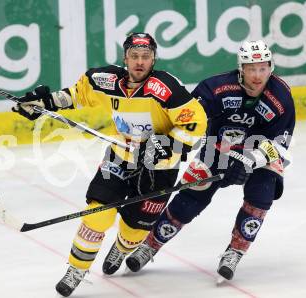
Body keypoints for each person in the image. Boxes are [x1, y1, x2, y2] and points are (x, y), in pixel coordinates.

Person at [13, 32, 207, 296]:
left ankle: (122, 247)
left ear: (154, 59)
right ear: (125, 58)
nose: (140, 62)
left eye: (146, 57)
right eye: (134, 56)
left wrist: (162, 147)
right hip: (121, 156)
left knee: (135, 231)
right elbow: (75, 95)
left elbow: (195, 124)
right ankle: (76, 269)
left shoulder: (166, 88)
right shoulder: (104, 80)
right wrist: (43, 102)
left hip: (160, 168)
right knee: (97, 213)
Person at [125, 40, 296, 282]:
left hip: (258, 156)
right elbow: (190, 122)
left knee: (262, 192)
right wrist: (168, 146)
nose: (258, 76)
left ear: (271, 67)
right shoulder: (215, 88)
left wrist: (249, 161)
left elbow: (280, 145)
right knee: (191, 196)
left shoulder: (281, 97)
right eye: (251, 69)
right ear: (241, 69)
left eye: (263, 68)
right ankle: (150, 245)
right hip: (217, 149)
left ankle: (235, 250)